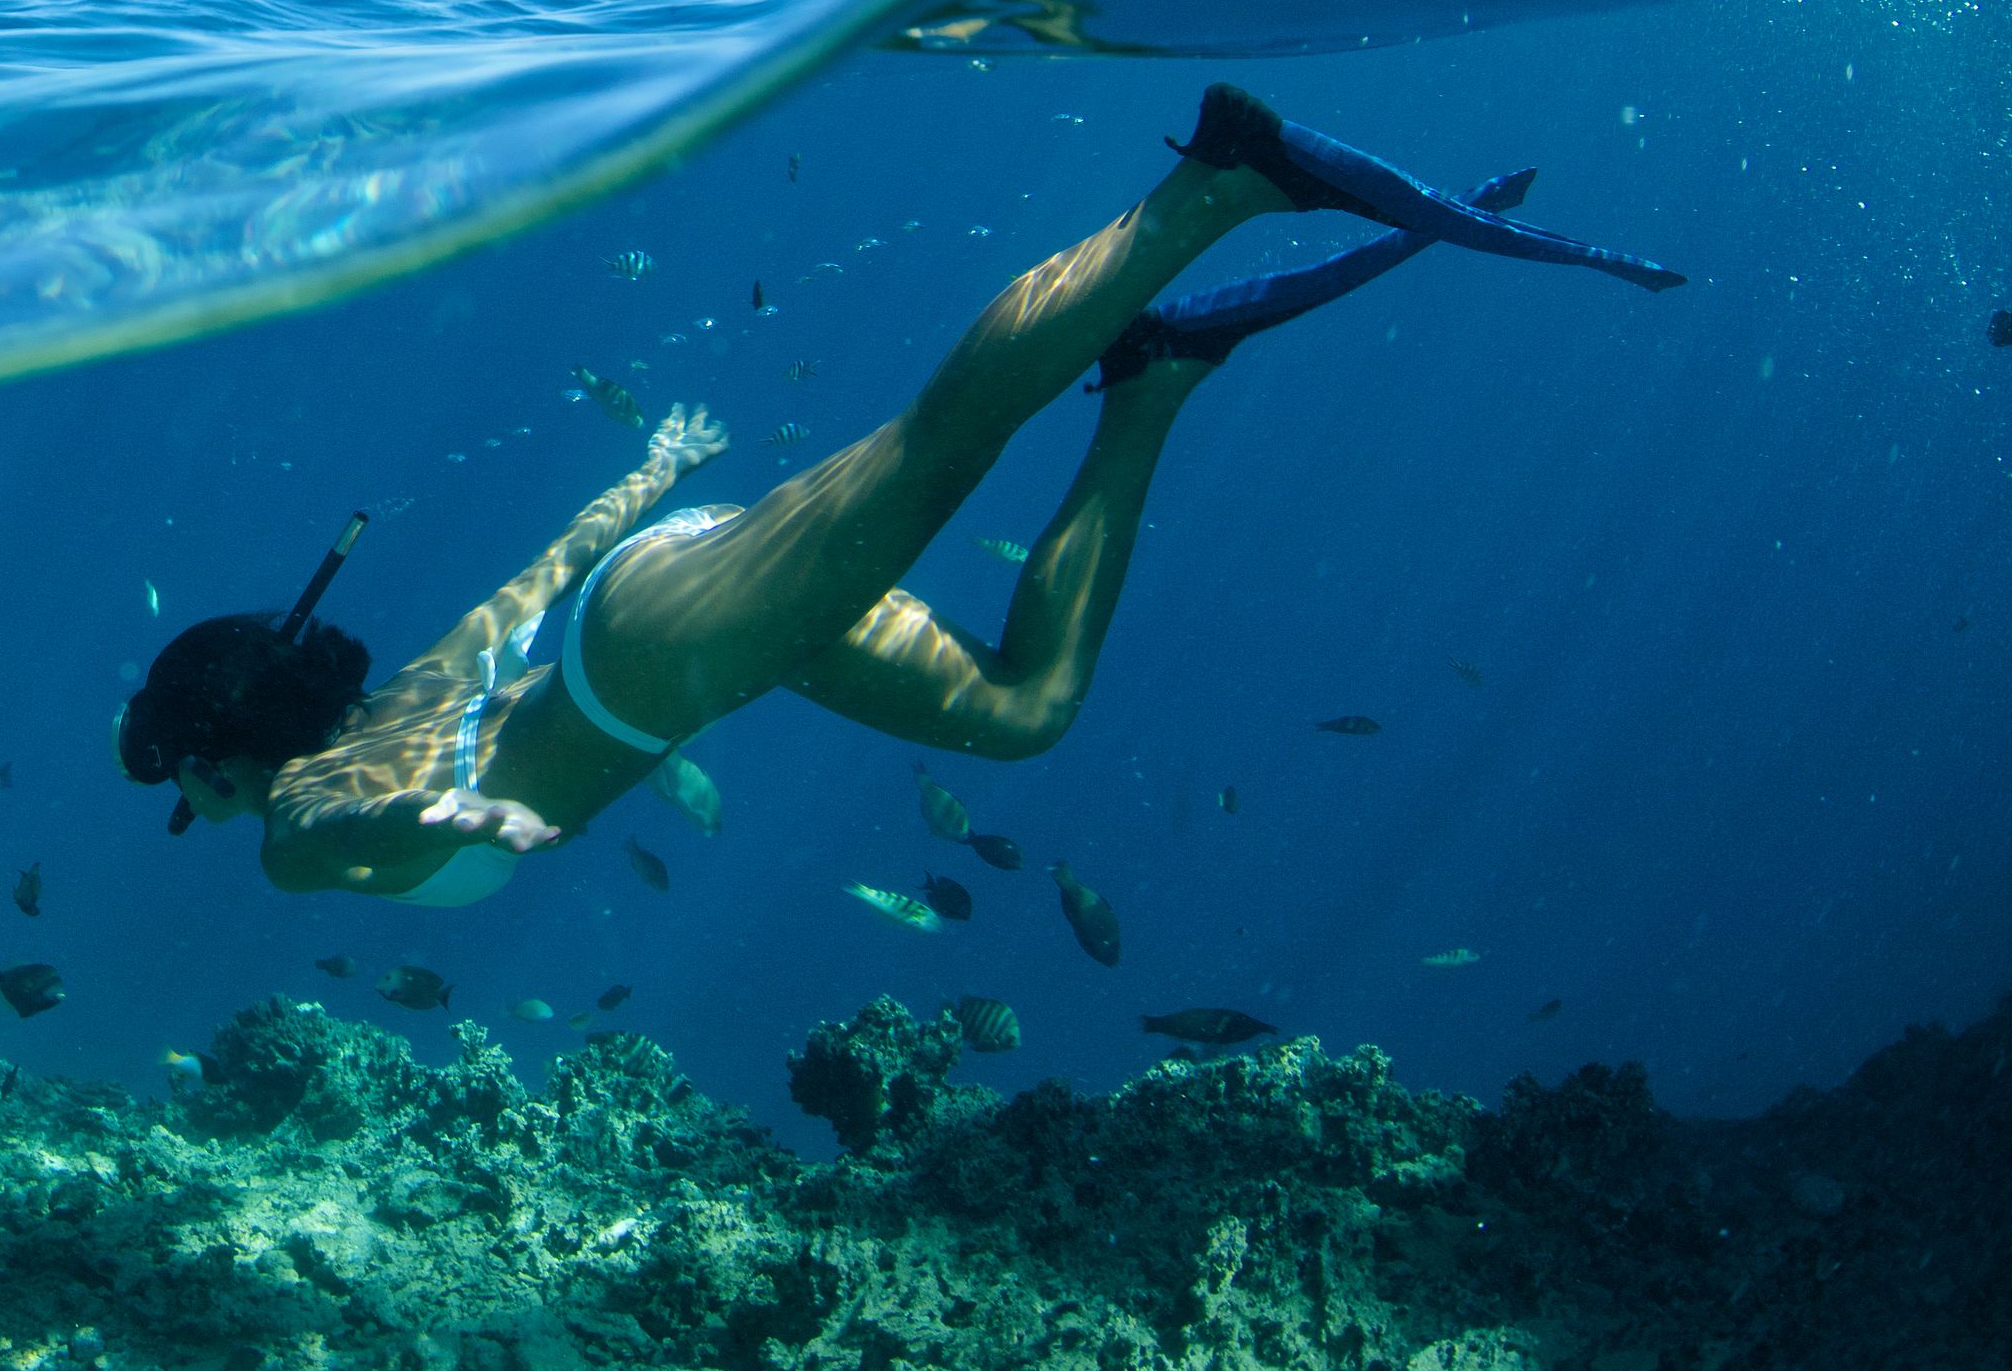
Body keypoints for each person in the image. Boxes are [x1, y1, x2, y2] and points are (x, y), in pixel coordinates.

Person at [114, 83, 1682, 903]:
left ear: (218, 752)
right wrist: (649, 480)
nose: (191, 810)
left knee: (939, 446)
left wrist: (435, 809)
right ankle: (1154, 377)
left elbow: (332, 833)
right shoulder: (418, 674)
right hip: (669, 613)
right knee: (1023, 711)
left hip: (663, 651)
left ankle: (1219, 184)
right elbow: (533, 576)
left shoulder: (304, 812)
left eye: (179, 776)